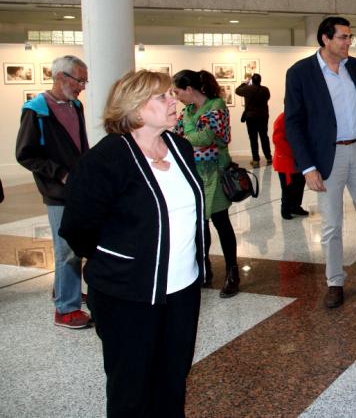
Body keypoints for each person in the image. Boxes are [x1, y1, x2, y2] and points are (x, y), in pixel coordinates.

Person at [58, 70, 205, 417]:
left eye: (173, 94)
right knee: (131, 390)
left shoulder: (180, 147)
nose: (175, 102)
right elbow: (78, 229)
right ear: (136, 108)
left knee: (173, 380)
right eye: (163, 97)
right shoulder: (105, 160)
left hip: (182, 290)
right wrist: (120, 259)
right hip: (128, 295)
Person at [284, 16, 356, 309]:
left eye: (350, 37)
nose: (348, 43)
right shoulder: (300, 73)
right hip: (326, 158)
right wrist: (307, 167)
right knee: (331, 226)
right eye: (343, 37)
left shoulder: (352, 66)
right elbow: (294, 123)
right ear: (325, 39)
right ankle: (335, 281)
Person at [15, 55, 92, 329]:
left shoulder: (75, 105)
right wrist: (60, 173)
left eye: (84, 80)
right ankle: (65, 309)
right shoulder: (36, 110)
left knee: (77, 244)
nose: (83, 85)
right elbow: (25, 155)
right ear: (61, 77)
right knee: (66, 250)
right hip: (57, 191)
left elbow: (79, 145)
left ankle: (64, 291)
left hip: (78, 187)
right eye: (79, 80)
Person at [173, 69, 240, 298]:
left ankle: (233, 272)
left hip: (216, 173)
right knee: (200, 224)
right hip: (194, 173)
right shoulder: (188, 111)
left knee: (221, 222)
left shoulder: (216, 105)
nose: (177, 96)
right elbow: (180, 134)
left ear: (190, 89)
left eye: (178, 91)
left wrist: (186, 136)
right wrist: (190, 135)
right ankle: (204, 268)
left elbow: (206, 138)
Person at [271, 112, 308, 219]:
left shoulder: (301, 117)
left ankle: (296, 206)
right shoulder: (281, 119)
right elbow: (278, 140)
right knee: (287, 187)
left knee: (300, 184)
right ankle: (285, 209)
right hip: (285, 160)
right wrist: (295, 151)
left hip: (299, 158)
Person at [235, 73, 272, 167]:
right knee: (264, 137)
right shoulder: (265, 90)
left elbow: (237, 91)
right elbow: (268, 98)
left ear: (252, 80)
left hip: (250, 117)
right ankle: (269, 157)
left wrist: (245, 83)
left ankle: (256, 159)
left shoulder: (247, 89)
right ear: (260, 80)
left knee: (253, 138)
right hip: (263, 116)